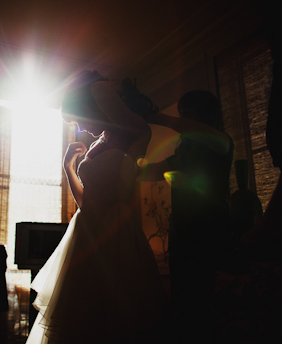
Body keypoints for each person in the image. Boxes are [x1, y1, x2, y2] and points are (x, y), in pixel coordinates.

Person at [27, 70, 170, 344]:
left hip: (116, 241)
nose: (79, 127)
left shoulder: (136, 134)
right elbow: (86, 202)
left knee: (115, 320)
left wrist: (91, 83)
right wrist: (68, 168)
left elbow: (103, 89)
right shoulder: (96, 144)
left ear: (92, 105)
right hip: (84, 236)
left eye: (79, 117)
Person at [140, 90, 233, 343]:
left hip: (212, 238)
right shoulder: (182, 156)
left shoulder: (222, 142)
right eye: (182, 115)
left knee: (210, 312)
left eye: (189, 115)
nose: (184, 121)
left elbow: (194, 130)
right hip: (182, 239)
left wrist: (156, 116)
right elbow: (149, 171)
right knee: (185, 312)